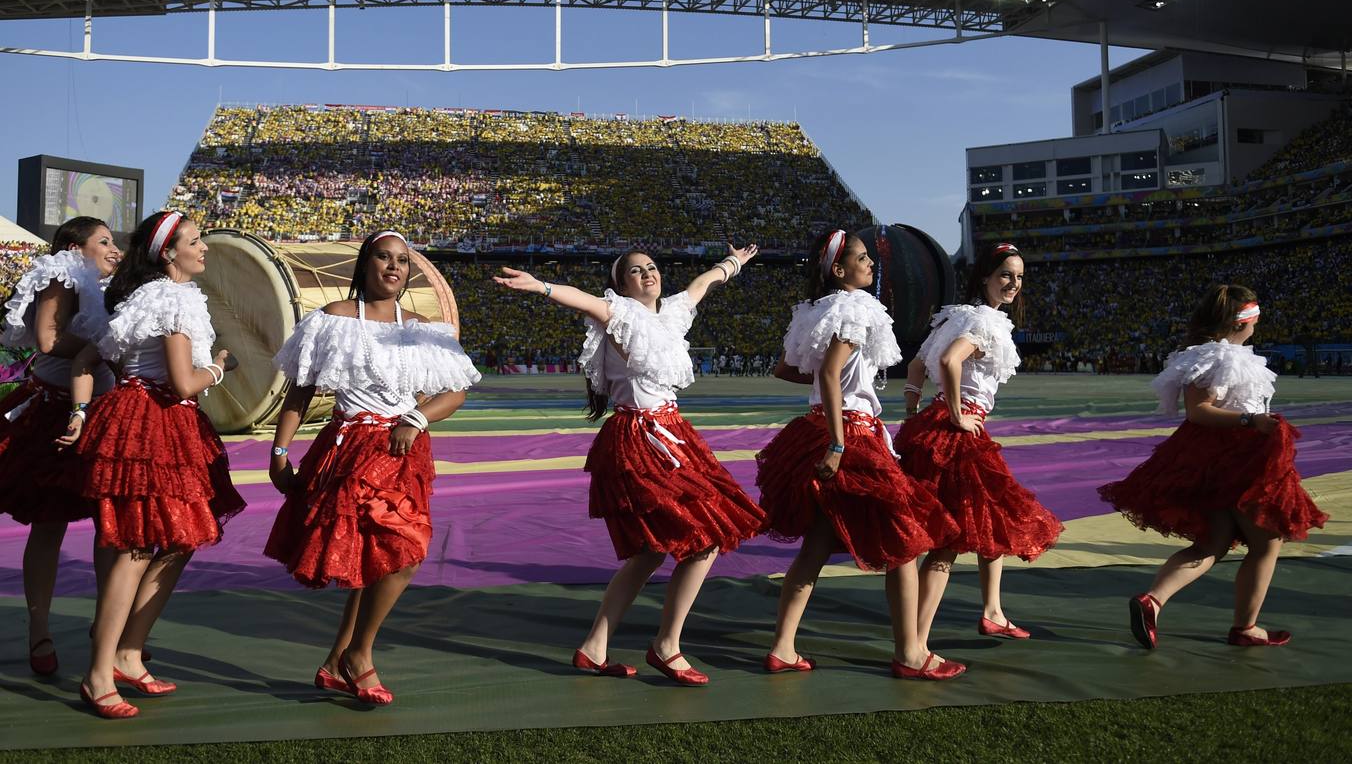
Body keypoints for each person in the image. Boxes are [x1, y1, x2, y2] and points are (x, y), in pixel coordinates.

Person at [494, 246, 763, 685]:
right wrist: (541, 286)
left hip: (671, 434)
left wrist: (733, 264)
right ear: (621, 285)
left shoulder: (672, 313)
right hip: (642, 439)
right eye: (635, 271)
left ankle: (595, 648)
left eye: (652, 267)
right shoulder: (617, 313)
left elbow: (702, 283)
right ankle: (666, 646)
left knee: (652, 550)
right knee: (703, 538)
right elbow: (581, 298)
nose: (647, 274)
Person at [264, 230, 478, 705]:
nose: (394, 267)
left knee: (394, 553)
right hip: (350, 450)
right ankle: (356, 657)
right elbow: (300, 391)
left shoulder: (422, 326)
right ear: (365, 264)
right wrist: (280, 453)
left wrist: (418, 418)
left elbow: (456, 391)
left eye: (403, 260)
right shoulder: (336, 317)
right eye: (384, 257)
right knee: (393, 553)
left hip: (403, 451)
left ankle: (341, 659)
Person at [756, 230, 963, 679]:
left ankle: (783, 648)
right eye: (863, 258)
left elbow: (789, 370)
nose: (871, 264)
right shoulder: (854, 309)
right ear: (839, 269)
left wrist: (830, 394)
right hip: (850, 435)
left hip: (826, 426)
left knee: (816, 544)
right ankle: (910, 653)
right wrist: (837, 438)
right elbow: (830, 374)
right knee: (905, 544)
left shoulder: (818, 311)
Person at [67, 211, 246, 719]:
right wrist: (222, 365)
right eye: (195, 242)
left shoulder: (150, 297)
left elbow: (89, 359)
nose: (204, 248)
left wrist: (81, 412)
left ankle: (126, 653)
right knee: (137, 546)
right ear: (169, 253)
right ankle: (100, 672)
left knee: (177, 539)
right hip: (156, 423)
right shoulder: (170, 299)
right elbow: (184, 383)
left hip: (150, 420)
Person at [1099, 285, 1327, 649]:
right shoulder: (1223, 358)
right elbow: (1199, 410)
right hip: (1238, 457)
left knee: (1213, 542)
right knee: (1266, 543)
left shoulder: (1209, 355)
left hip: (1214, 457)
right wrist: (1250, 422)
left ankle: (1152, 600)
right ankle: (1245, 627)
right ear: (1243, 321)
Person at [894, 242, 1062, 646]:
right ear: (985, 276)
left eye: (1019, 277)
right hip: (957, 429)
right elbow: (950, 361)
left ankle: (993, 611)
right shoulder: (983, 322)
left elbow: (918, 365)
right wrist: (955, 412)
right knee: (949, 543)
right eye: (1006, 274)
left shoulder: (957, 316)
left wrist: (914, 408)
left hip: (934, 425)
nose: (1014, 284)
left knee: (988, 516)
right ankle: (916, 642)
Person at [0, 217, 119, 675]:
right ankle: (39, 632)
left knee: (111, 522)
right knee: (49, 524)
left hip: (101, 411)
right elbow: (49, 338)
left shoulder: (103, 284)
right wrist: (109, 349)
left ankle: (104, 630)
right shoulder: (62, 274)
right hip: (56, 413)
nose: (115, 250)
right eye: (104, 241)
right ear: (74, 247)